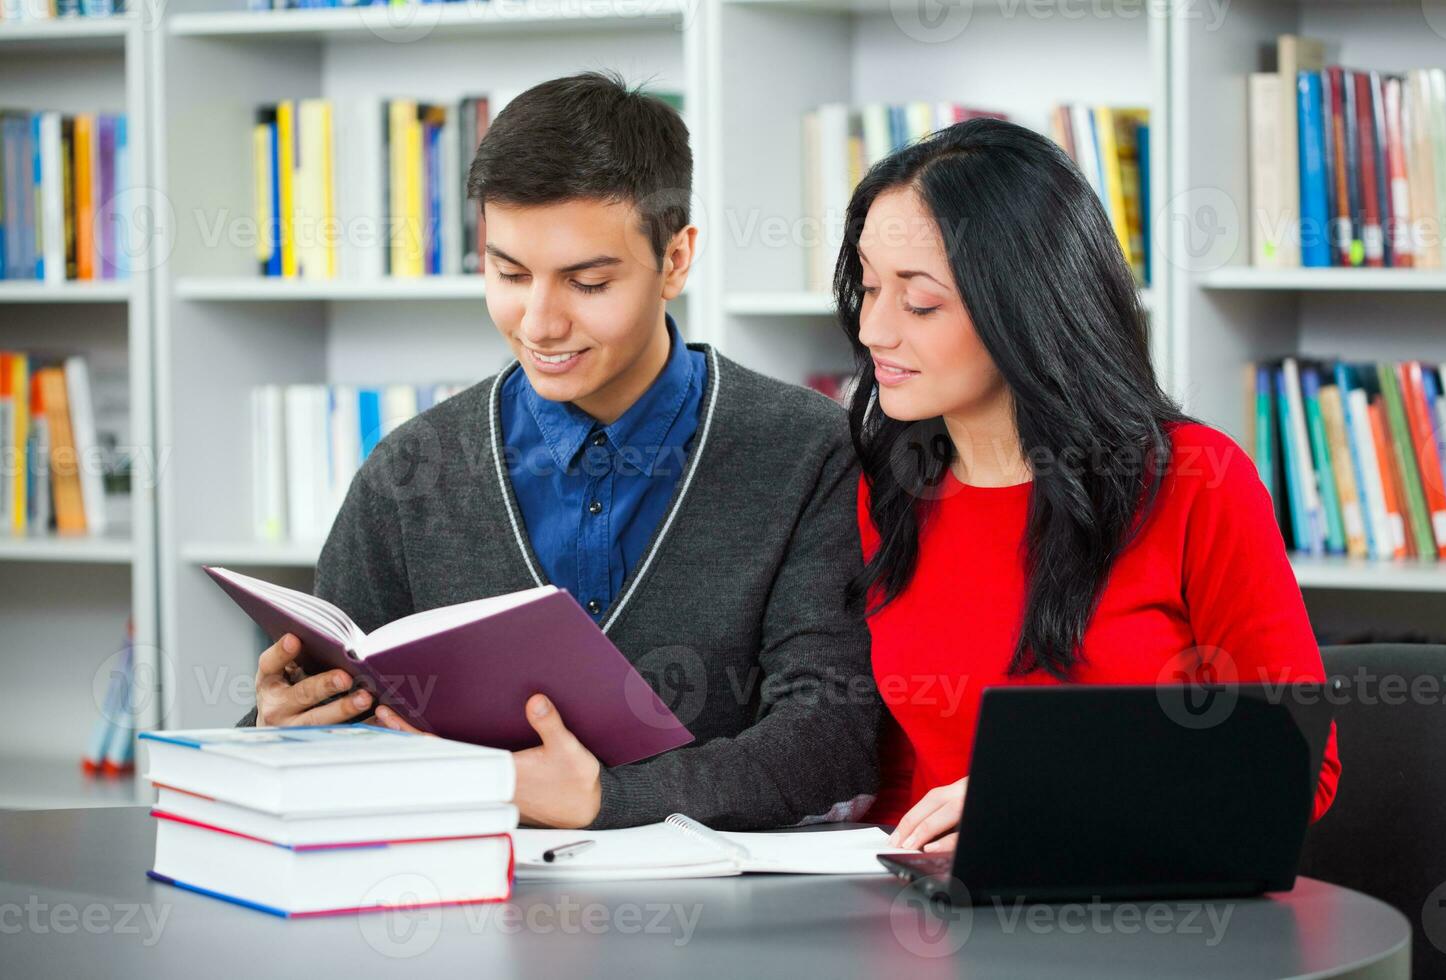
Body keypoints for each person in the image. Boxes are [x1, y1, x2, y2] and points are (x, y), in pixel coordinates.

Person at [236, 71, 880, 832]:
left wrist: (609, 800)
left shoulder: (805, 450)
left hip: (722, 914)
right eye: (508, 274)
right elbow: (339, 722)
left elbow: (833, 734)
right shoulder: (410, 471)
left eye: (587, 281)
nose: (538, 323)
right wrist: (275, 733)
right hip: (466, 907)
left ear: (675, 260)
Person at [835, 117, 1341, 852]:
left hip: (1147, 920)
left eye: (918, 302)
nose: (875, 329)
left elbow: (1299, 770)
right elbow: (907, 775)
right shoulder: (892, 491)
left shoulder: (1196, 481)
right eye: (869, 286)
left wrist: (1038, 793)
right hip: (946, 923)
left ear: (1026, 303)